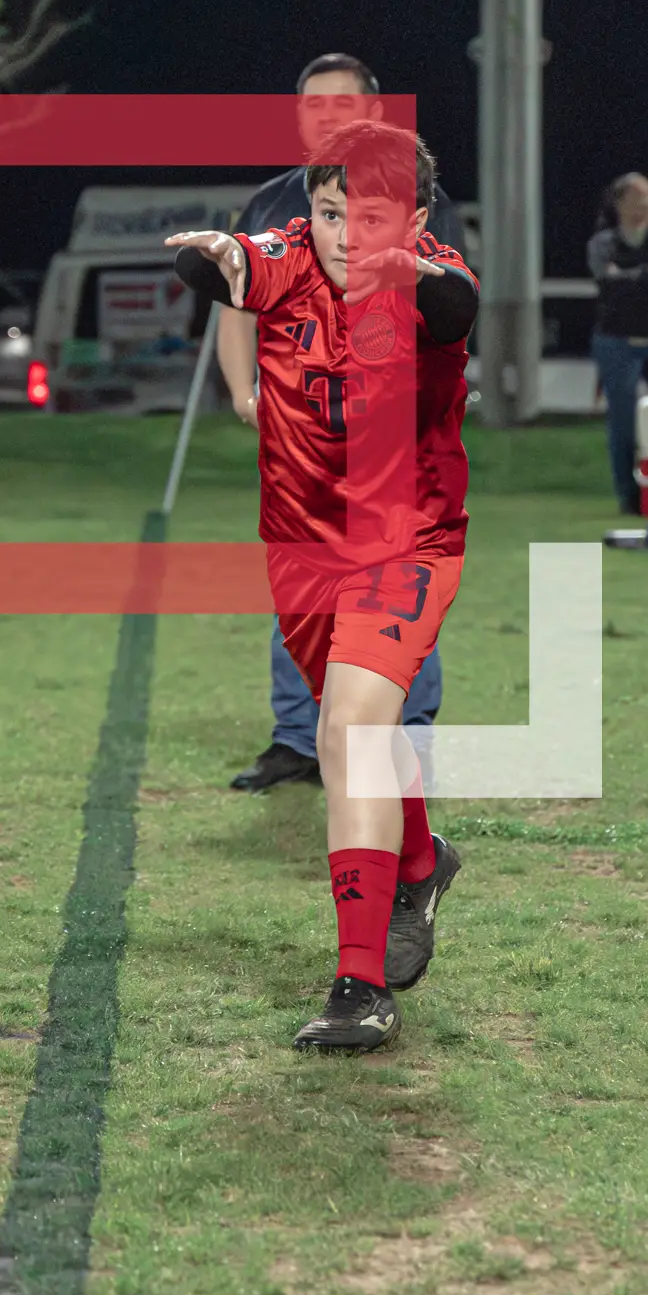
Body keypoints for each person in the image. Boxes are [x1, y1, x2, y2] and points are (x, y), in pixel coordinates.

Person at [168, 119, 478, 1053]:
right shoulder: (294, 253)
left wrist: (411, 273)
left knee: (347, 734)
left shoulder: (432, 276)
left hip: (407, 544)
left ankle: (360, 986)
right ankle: (421, 862)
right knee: (361, 733)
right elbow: (225, 269)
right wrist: (221, 259)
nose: (347, 236)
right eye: (333, 213)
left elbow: (455, 307)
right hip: (301, 548)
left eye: (372, 218)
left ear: (414, 220)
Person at [218, 53, 463, 793]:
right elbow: (237, 304)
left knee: (398, 584)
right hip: (304, 440)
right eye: (313, 105)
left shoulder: (418, 194)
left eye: (342, 103)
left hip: (390, 444)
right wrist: (245, 394)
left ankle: (409, 738)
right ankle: (299, 737)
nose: (327, 116)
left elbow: (447, 300)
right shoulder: (269, 202)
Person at [587, 174, 648, 513]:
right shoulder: (603, 243)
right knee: (623, 422)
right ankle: (628, 496)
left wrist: (629, 277)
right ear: (619, 205)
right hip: (618, 341)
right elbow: (608, 283)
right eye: (637, 199)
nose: (645, 206)